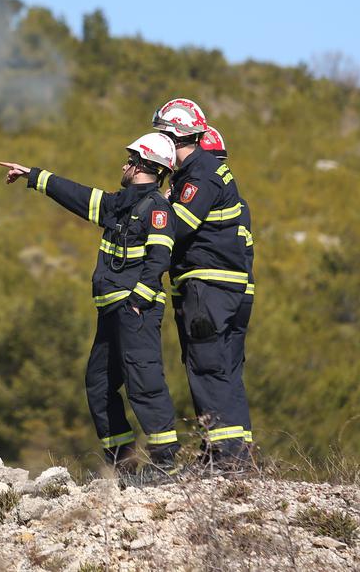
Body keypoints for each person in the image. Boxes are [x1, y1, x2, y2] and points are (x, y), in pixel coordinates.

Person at [0, 133, 181, 473]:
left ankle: (166, 468)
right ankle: (125, 468)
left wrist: (138, 301)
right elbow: (80, 197)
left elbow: (160, 259)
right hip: (112, 311)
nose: (124, 165)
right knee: (98, 386)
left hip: (134, 311)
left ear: (145, 166)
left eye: (131, 159)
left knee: (144, 384)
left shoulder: (157, 209)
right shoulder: (121, 204)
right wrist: (34, 176)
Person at [151, 99, 252, 467]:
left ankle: (226, 458)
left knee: (206, 366)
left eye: (161, 134)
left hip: (206, 284)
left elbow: (178, 226)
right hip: (214, 283)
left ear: (174, 135)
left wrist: (152, 209)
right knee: (221, 369)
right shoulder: (200, 172)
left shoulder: (199, 174)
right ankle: (233, 454)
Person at [199, 125, 254, 450]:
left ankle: (221, 455)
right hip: (242, 293)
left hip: (216, 295)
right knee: (231, 375)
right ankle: (241, 451)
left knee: (212, 370)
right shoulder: (239, 203)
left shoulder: (205, 194)